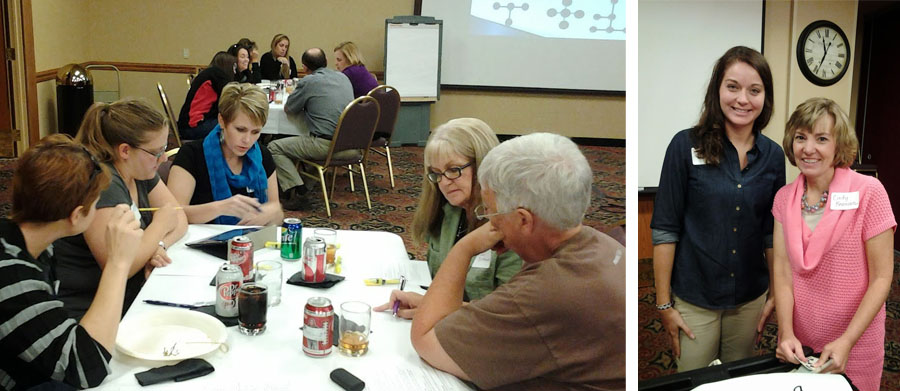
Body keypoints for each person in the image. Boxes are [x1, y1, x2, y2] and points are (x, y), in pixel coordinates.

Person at [379, 132, 624, 390]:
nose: (488, 218)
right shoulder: (602, 243)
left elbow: (425, 339)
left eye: (491, 211)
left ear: (523, 220)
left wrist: (465, 247)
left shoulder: (543, 291)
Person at [650, 46, 786, 371]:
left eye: (755, 90)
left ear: (765, 98)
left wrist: (775, 294)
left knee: (738, 379)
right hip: (695, 296)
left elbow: (771, 233)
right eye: (733, 87)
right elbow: (665, 229)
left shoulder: (773, 156)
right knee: (696, 381)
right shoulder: (685, 145)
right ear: (717, 90)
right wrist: (664, 304)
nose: (743, 99)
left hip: (749, 297)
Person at [0, 135, 142, 389]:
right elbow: (86, 369)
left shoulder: (35, 243)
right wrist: (118, 263)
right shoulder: (11, 273)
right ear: (76, 216)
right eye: (97, 201)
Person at [773, 98, 894, 390]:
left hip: (856, 341)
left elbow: (882, 278)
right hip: (801, 342)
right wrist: (786, 331)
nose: (808, 148)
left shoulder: (869, 192)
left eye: (822, 138)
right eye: (801, 137)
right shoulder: (783, 198)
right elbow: (782, 270)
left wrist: (847, 340)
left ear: (838, 145)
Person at [54, 99, 188, 320]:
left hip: (125, 294)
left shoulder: (141, 168)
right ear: (125, 150)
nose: (163, 158)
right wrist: (159, 226)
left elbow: (179, 217)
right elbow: (119, 265)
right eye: (156, 152)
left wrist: (158, 246)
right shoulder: (103, 182)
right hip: (89, 306)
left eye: (164, 149)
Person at [402, 118, 522, 305]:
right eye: (437, 173)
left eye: (453, 169)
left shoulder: (512, 226)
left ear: (483, 166)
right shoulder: (447, 211)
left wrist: (433, 308)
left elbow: (509, 314)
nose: (444, 181)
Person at [168, 82, 283, 225]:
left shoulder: (262, 156)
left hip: (249, 242)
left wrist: (272, 213)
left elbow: (277, 212)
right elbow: (172, 214)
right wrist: (220, 208)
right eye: (240, 129)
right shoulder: (192, 155)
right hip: (201, 242)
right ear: (222, 121)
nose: (247, 140)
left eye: (255, 132)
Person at [266, 47, 356, 211]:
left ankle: (297, 190)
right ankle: (306, 184)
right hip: (353, 145)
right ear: (326, 62)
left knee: (273, 147)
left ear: (305, 68)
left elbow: (290, 109)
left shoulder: (308, 82)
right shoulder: (343, 78)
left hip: (326, 145)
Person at [178, 51, 236, 140]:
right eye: (234, 67)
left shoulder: (209, 74)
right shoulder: (217, 76)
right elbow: (232, 97)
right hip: (193, 126)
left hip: (187, 124)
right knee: (234, 125)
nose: (235, 71)